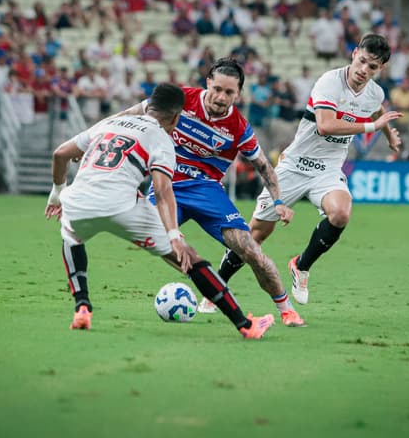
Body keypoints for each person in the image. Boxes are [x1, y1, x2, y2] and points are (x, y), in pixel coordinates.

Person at [44, 83, 275, 339]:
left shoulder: (109, 123)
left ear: (149, 107)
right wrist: (174, 235)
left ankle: (82, 307)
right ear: (176, 117)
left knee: (72, 238)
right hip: (123, 205)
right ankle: (245, 325)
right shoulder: (162, 138)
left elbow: (61, 154)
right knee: (190, 258)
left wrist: (57, 194)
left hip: (77, 201)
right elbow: (163, 191)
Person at [205, 34, 402, 307]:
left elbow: (376, 108)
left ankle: (301, 266)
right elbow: (325, 126)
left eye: (372, 67)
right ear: (354, 53)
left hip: (328, 169)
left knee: (341, 213)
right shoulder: (330, 82)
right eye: (362, 61)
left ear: (381, 68)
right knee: (255, 236)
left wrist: (389, 134)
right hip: (295, 165)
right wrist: (373, 126)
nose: (363, 70)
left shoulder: (375, 92)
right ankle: (216, 288)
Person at [119, 59, 305, 327]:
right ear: (207, 83)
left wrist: (278, 201)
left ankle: (286, 309)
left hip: (207, 190)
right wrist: (94, 138)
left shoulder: (238, 127)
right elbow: (129, 114)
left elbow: (263, 166)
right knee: (152, 236)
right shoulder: (182, 99)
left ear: (238, 94)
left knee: (250, 249)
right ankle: (212, 286)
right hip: (167, 183)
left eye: (229, 92)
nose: (221, 97)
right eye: (217, 89)